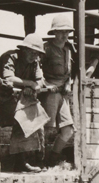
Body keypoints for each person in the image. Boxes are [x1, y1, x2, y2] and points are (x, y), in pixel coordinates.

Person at [0, 34, 46, 173]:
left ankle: (30, 161)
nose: (34, 55)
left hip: (16, 101)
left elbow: (40, 81)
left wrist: (30, 87)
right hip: (0, 101)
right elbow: (9, 79)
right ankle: (19, 162)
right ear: (23, 49)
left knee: (35, 117)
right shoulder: (11, 57)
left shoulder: (34, 62)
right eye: (31, 51)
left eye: (36, 52)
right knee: (23, 117)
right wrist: (29, 84)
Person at [41, 14, 75, 166]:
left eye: (67, 32)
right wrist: (45, 86)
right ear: (54, 32)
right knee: (48, 129)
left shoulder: (69, 49)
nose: (64, 35)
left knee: (68, 130)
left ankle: (52, 159)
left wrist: (69, 83)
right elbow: (36, 70)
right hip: (50, 93)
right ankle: (38, 160)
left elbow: (73, 72)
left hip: (63, 93)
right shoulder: (46, 48)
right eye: (61, 32)